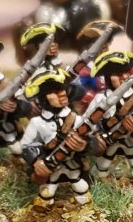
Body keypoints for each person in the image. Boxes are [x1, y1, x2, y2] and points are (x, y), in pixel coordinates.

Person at [20, 70, 102, 206]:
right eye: (54, 91)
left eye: (62, 89)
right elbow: (26, 146)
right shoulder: (37, 123)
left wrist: (84, 145)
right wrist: (36, 161)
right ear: (43, 97)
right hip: (50, 167)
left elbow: (94, 140)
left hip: (73, 165)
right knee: (46, 194)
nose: (62, 93)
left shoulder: (76, 119)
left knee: (81, 188)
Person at [90, 51, 133, 182]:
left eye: (126, 72)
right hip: (108, 141)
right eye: (117, 73)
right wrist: (96, 135)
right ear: (108, 77)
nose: (124, 77)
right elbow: (90, 120)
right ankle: (99, 181)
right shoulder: (101, 98)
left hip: (129, 138)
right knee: (102, 166)